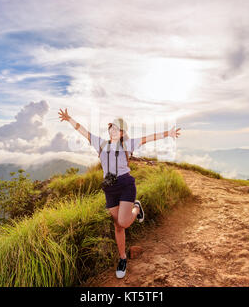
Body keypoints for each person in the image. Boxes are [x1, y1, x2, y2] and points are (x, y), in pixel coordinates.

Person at [58, 108, 181, 279]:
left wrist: (168, 133)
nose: (113, 130)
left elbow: (148, 138)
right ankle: (122, 258)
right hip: (109, 188)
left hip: (125, 185)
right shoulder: (100, 143)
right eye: (111, 128)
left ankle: (136, 207)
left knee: (123, 221)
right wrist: (69, 118)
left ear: (122, 133)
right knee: (118, 225)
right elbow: (83, 131)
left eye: (116, 128)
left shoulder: (127, 144)